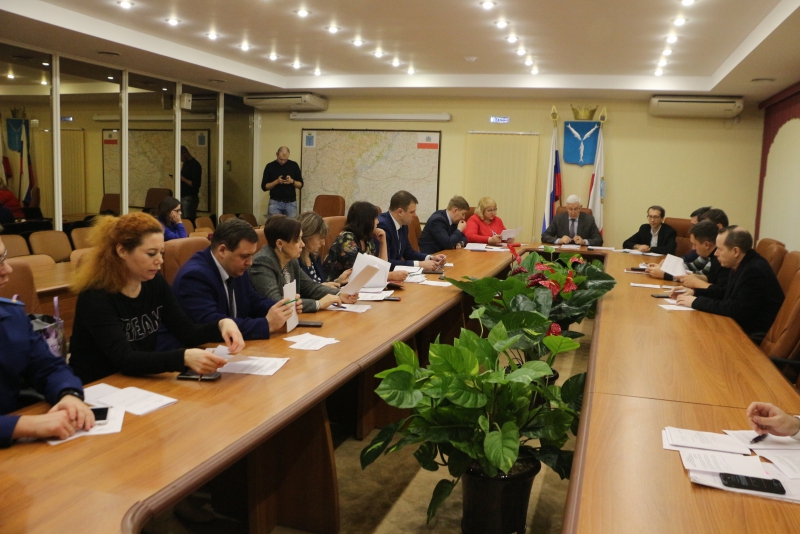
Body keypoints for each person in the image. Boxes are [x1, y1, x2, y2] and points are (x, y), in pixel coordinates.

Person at [68, 213, 244, 385]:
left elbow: (187, 331)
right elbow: (124, 358)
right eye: (151, 253)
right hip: (97, 386)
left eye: (161, 253)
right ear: (122, 251)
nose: (160, 261)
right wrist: (183, 357)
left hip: (138, 379)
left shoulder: (154, 282)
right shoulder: (95, 296)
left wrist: (222, 324)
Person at [0, 232, 95, 447]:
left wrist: (68, 394)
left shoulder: (11, 316)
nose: (8, 269)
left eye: (4, 257)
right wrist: (21, 426)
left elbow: (49, 367)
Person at [167, 219, 299, 344]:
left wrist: (282, 308)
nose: (250, 262)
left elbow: (252, 301)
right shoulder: (194, 277)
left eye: (251, 255)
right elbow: (213, 324)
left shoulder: (235, 266)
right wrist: (267, 324)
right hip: (201, 350)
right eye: (245, 256)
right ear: (222, 250)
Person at [675, 226, 784, 344]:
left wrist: (696, 302)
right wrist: (694, 292)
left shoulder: (754, 270)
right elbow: (725, 292)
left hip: (749, 336)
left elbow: (736, 309)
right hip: (737, 326)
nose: (715, 253)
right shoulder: (742, 263)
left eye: (720, 249)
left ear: (735, 251)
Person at [250, 215, 356, 312]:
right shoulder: (262, 262)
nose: (303, 244)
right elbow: (276, 302)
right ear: (280, 243)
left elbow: (310, 287)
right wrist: (317, 304)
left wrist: (339, 294)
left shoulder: (290, 260)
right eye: (297, 240)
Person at [323, 201, 406, 283]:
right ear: (366, 220)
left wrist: (383, 242)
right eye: (375, 218)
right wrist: (388, 276)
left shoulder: (366, 239)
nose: (378, 222)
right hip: (335, 287)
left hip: (356, 287)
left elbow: (381, 268)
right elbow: (358, 274)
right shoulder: (347, 239)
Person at [647, 221, 730, 290]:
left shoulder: (719, 259)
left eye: (694, 244)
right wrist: (666, 267)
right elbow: (707, 278)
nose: (693, 248)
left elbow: (720, 290)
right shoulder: (709, 255)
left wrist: (666, 274)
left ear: (706, 245)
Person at [377, 191, 446, 270]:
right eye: (412, 212)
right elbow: (386, 262)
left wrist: (430, 258)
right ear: (400, 212)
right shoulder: (382, 226)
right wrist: (420, 264)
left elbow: (408, 253)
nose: (415, 215)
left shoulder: (403, 225)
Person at [297, 211, 351, 287]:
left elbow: (322, 284)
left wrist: (338, 281)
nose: (323, 243)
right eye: (320, 238)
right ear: (307, 235)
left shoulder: (315, 257)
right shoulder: (294, 262)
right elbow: (303, 290)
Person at [261, 146, 303, 219]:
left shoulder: (294, 165)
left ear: (288, 155)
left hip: (291, 203)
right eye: (281, 159)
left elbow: (300, 185)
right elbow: (264, 187)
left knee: (291, 225)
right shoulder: (270, 166)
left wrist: (292, 181)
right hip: (275, 202)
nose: (283, 162)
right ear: (277, 154)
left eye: (285, 159)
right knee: (274, 225)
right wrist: (276, 182)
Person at [180, 146, 202, 222]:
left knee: (189, 221)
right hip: (183, 196)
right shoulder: (185, 164)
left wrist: (182, 178)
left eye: (180, 156)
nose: (180, 159)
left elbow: (196, 184)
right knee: (183, 221)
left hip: (189, 198)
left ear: (184, 153)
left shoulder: (195, 165)